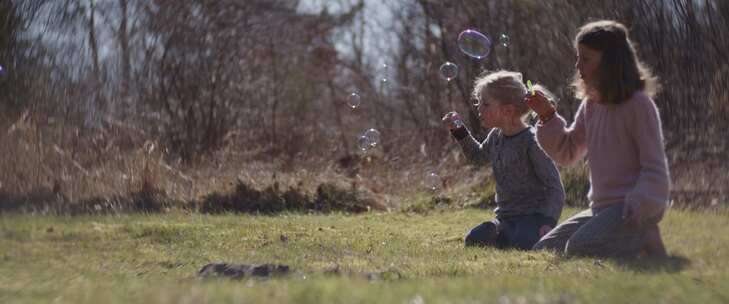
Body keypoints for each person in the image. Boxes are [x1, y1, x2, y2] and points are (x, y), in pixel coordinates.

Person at [526, 20, 670, 258]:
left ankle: (645, 235)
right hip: (601, 209)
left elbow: (655, 169)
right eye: (577, 57)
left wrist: (640, 203)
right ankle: (631, 238)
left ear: (610, 63)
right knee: (545, 248)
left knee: (579, 247)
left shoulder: (639, 105)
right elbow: (568, 152)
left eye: (585, 58)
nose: (577, 65)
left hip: (634, 206)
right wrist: (547, 115)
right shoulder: (591, 105)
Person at [442, 70, 565, 250]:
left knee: (523, 240)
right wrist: (460, 131)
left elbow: (555, 188)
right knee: (475, 238)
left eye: (485, 104)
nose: (478, 108)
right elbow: (478, 157)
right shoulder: (496, 136)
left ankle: (535, 237)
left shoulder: (532, 141)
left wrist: (547, 221)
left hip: (533, 217)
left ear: (507, 110)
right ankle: (503, 234)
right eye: (479, 102)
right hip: (505, 219)